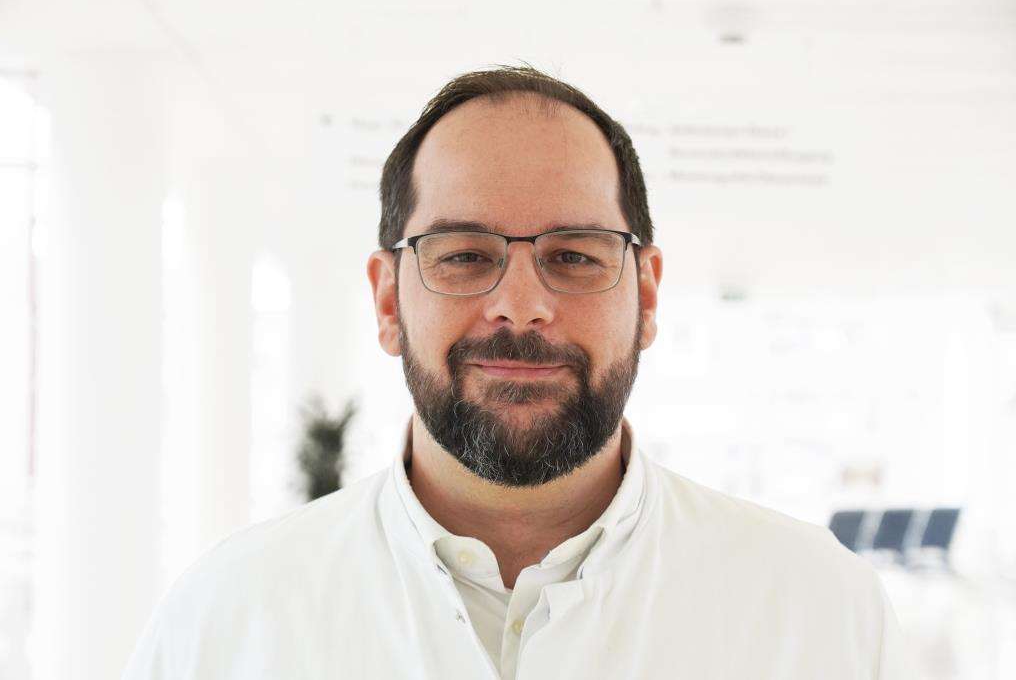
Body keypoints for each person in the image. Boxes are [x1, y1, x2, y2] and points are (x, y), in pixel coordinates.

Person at [122, 66, 908, 679]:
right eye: (465, 255)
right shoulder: (226, 621)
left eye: (575, 255)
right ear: (388, 301)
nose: (522, 306)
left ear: (647, 294)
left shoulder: (821, 612)